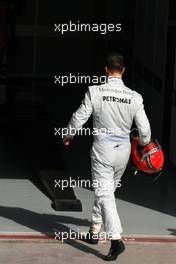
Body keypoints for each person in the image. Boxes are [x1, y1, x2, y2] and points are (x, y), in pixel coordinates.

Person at [63, 52, 151, 261]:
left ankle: (116, 239)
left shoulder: (95, 92)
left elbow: (79, 117)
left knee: (104, 194)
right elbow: (145, 131)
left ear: (105, 70)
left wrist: (68, 134)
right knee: (106, 191)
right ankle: (94, 230)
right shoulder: (135, 97)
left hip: (103, 149)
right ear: (123, 71)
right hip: (124, 151)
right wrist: (145, 144)